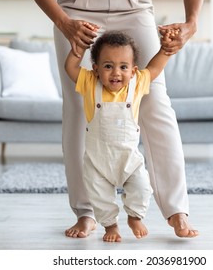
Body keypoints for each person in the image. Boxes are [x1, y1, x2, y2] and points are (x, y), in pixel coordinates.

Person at [29, 0, 203, 238]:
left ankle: (177, 209)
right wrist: (64, 22)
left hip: (135, 8)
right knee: (80, 106)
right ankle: (86, 211)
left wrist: (192, 22)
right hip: (77, 11)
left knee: (156, 101)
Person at [65, 28, 178, 242]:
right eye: (108, 66)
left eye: (123, 67)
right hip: (97, 161)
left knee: (142, 187)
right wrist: (77, 49)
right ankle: (110, 226)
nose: (116, 73)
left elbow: (154, 68)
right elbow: (70, 67)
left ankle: (135, 217)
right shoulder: (90, 83)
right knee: (100, 197)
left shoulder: (136, 85)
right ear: (96, 69)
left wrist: (165, 49)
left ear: (133, 70)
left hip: (129, 160)